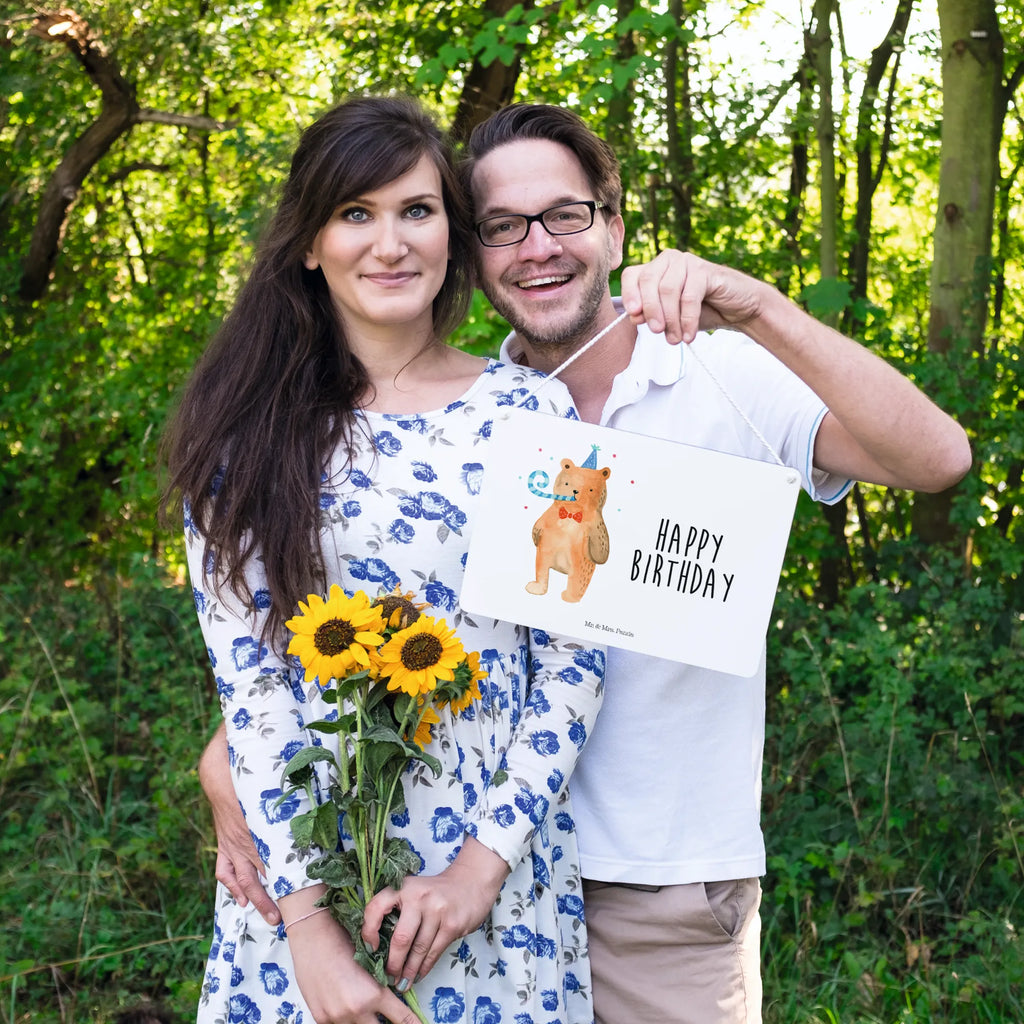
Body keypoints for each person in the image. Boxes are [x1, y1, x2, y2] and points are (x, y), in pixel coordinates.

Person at [200, 102, 972, 1024]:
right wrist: (235, 768)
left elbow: (937, 461)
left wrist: (759, 306)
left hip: (648, 889)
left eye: (564, 215)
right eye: (502, 227)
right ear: (475, 250)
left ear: (612, 225)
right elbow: (340, 629)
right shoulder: (468, 416)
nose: (537, 247)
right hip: (416, 875)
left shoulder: (706, 375)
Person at [163, 96, 609, 1024]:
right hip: (303, 883)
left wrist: (478, 873)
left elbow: (575, 660)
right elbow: (253, 691)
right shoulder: (244, 439)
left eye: (417, 210)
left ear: (452, 229)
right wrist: (311, 936)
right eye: (355, 214)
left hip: (492, 886)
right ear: (308, 244)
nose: (391, 243)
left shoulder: (535, 417)